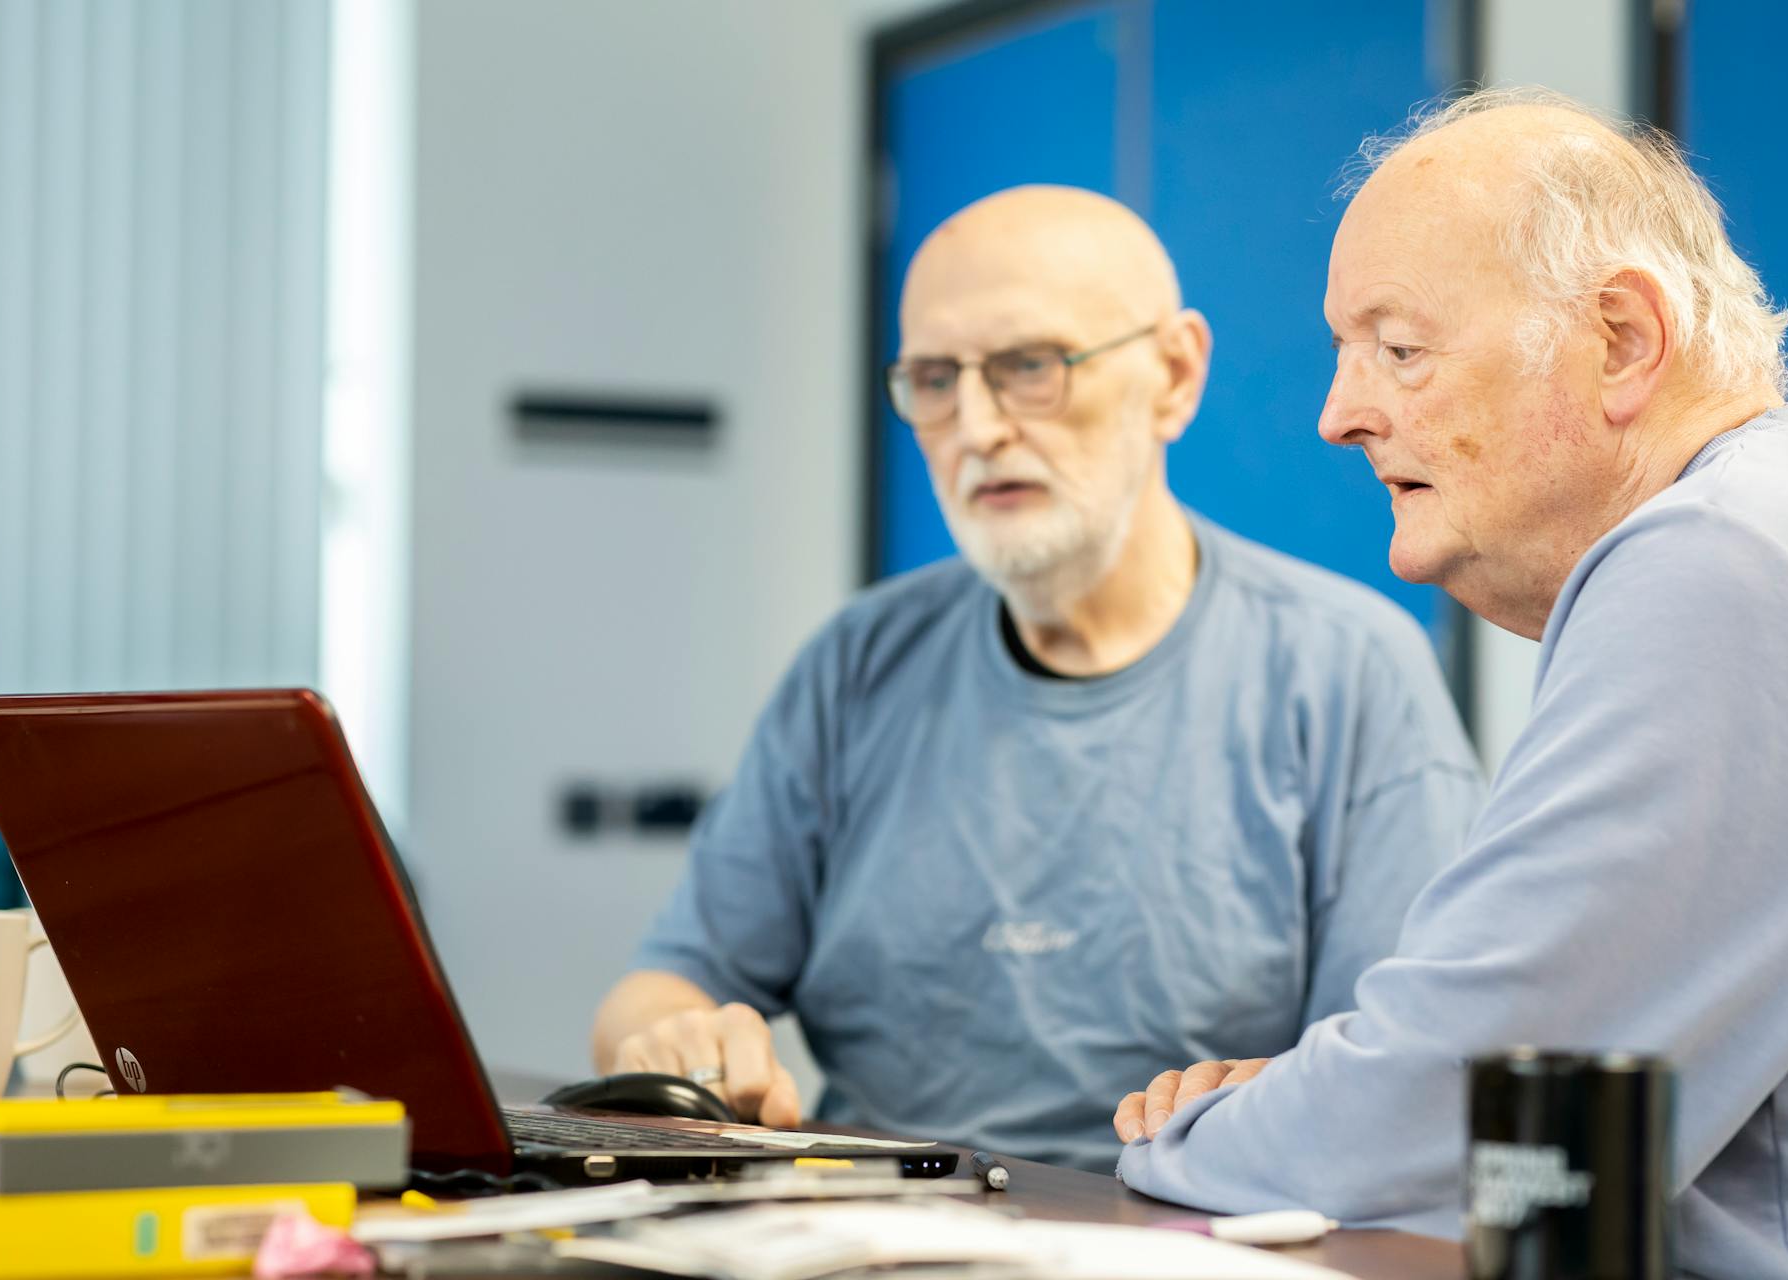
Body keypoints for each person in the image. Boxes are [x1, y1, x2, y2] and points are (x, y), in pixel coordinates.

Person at [1112, 89, 1788, 1276]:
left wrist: (1205, 1129)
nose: (1338, 415)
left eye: (1401, 350)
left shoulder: (1724, 568)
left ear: (1624, 339)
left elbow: (1438, 1118)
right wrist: (1358, 1084)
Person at [595, 185, 1481, 1172]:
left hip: (1184, 1231)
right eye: (934, 379)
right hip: (867, 1224)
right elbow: (664, 985)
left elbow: (1401, 1077)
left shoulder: (1349, 671)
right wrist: (676, 1039)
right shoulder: (857, 666)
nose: (975, 427)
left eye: (1029, 367)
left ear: (1174, 375)